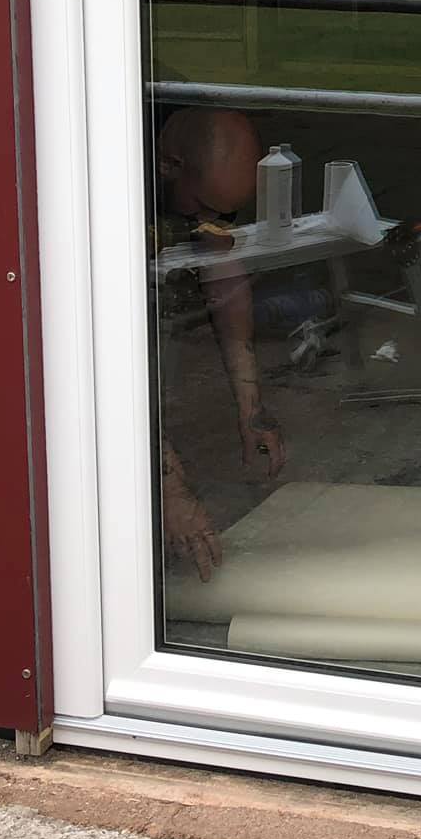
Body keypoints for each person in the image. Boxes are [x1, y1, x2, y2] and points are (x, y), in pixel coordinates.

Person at [154, 108, 287, 579]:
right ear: (169, 165)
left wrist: (252, 411)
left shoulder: (198, 150)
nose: (212, 224)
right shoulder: (105, 166)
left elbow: (224, 278)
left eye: (226, 213)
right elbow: (102, 359)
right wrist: (169, 490)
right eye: (202, 209)